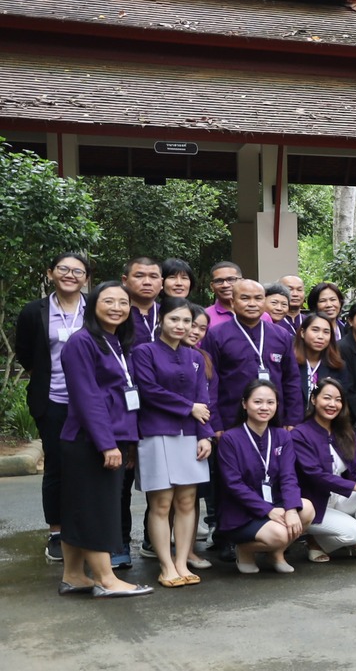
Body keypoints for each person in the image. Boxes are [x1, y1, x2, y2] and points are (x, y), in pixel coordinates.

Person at [53, 282, 148, 596]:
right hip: (90, 439)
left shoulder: (116, 341)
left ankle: (74, 575)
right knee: (98, 509)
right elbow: (87, 397)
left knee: (79, 509)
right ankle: (107, 580)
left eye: (123, 302)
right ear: (92, 305)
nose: (117, 307)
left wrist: (128, 441)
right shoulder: (82, 342)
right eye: (109, 301)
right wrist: (107, 443)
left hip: (112, 436)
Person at [133, 299, 214, 587]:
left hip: (190, 434)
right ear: (161, 321)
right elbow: (148, 391)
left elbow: (204, 400)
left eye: (186, 322)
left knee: (187, 501)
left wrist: (206, 435)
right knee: (161, 503)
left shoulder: (194, 356)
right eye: (174, 320)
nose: (180, 326)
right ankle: (166, 565)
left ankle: (182, 561)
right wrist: (188, 407)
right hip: (156, 433)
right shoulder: (144, 352)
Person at [16, 251, 90, 562]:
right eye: (63, 269)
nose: (70, 275)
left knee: (91, 466)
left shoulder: (97, 309)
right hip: (54, 401)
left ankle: (88, 528)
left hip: (92, 402)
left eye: (78, 271)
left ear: (86, 278)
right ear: (50, 273)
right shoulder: (35, 311)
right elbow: (26, 353)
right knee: (57, 468)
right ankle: (58, 531)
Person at [292, 377, 356, 561]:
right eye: (327, 398)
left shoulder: (344, 431)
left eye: (338, 400)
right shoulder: (300, 434)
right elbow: (315, 475)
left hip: (337, 498)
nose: (332, 404)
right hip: (314, 504)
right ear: (314, 399)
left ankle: (350, 540)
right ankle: (338, 541)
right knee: (352, 533)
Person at [215, 379, 304, 576]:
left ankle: (276, 555)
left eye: (270, 402)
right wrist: (268, 510)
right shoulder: (230, 438)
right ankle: (244, 550)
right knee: (281, 534)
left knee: (306, 510)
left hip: (275, 502)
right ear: (244, 404)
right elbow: (233, 484)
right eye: (258, 402)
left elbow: (289, 476)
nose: (265, 407)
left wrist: (290, 509)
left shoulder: (282, 436)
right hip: (241, 511)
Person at [203, 278, 302, 437]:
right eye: (245, 298)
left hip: (275, 419)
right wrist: (215, 423)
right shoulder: (216, 335)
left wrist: (292, 419)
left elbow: (291, 379)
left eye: (258, 298)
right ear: (233, 301)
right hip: (231, 419)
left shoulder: (281, 335)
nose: (252, 303)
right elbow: (209, 382)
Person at [287, 314, 346, 426]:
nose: (320, 336)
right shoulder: (290, 363)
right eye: (315, 330)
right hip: (294, 425)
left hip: (326, 425)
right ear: (303, 333)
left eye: (326, 332)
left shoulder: (338, 366)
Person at [122, 255, 163, 346]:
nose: (147, 282)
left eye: (153, 277)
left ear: (161, 283)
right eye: (139, 276)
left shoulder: (167, 314)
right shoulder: (117, 314)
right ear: (124, 280)